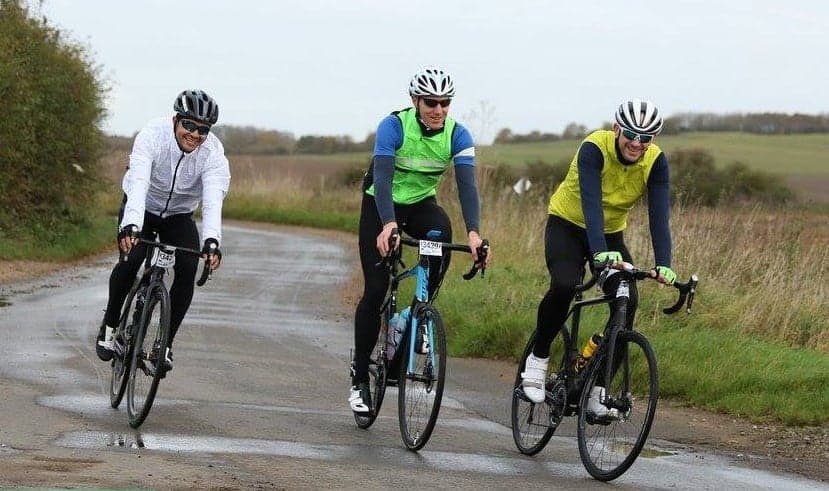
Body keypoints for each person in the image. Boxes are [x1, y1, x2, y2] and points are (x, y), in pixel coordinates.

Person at [520, 99, 676, 416]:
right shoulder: (594, 147)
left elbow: (659, 217)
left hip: (610, 236)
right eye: (631, 134)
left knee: (626, 299)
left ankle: (598, 391)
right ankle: (538, 358)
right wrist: (598, 252)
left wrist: (664, 264)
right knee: (565, 284)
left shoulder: (656, 162)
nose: (637, 143)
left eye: (646, 138)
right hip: (568, 226)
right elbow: (591, 204)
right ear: (617, 129)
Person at [349, 67, 491, 413]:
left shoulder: (458, 135)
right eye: (431, 102)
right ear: (415, 101)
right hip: (381, 207)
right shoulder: (394, 126)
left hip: (421, 205)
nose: (438, 109)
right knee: (376, 288)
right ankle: (359, 379)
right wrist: (388, 225)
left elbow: (467, 186)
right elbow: (382, 180)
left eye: (445, 103)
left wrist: (474, 233)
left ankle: (414, 317)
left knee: (441, 238)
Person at [95, 89, 231, 373]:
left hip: (178, 215)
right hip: (142, 206)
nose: (195, 134)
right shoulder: (153, 135)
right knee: (131, 260)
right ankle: (109, 324)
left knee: (186, 269)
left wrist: (212, 242)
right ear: (176, 120)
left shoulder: (213, 154)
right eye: (189, 126)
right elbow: (139, 180)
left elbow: (212, 200)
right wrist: (131, 225)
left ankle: (164, 345)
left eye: (203, 130)